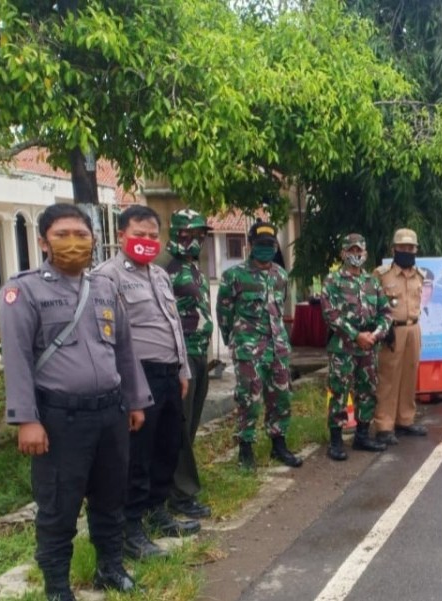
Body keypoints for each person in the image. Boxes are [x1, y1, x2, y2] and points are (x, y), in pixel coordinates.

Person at [0, 204, 152, 601]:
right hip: (58, 419)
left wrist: (135, 401)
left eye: (81, 235)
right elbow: (16, 357)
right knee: (58, 508)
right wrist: (25, 420)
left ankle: (110, 568)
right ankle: (57, 587)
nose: (73, 243)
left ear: (93, 240)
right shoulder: (25, 290)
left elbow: (124, 349)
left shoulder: (103, 287)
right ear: (43, 241)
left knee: (110, 497)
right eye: (62, 234)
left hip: (110, 413)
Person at [95, 205, 200, 561]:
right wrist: (124, 387)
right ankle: (131, 529)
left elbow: (173, 325)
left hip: (169, 374)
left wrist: (183, 369)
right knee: (137, 455)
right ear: (122, 235)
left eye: (153, 236)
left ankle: (157, 511)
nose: (147, 241)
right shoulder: (106, 277)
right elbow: (105, 338)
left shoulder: (159, 275)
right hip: (137, 376)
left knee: (167, 447)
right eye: (139, 234)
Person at [217, 221, 303, 469]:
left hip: (278, 347)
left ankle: (279, 443)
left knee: (281, 397)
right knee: (249, 399)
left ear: (275, 246)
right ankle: (245, 448)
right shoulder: (233, 276)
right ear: (250, 245)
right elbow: (224, 313)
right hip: (248, 348)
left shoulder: (280, 275)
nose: (266, 248)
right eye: (260, 244)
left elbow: (279, 307)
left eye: (270, 244)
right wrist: (234, 342)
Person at [320, 233, 392, 460]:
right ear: (343, 253)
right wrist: (355, 335)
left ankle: (362, 436)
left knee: (368, 392)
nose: (356, 254)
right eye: (351, 250)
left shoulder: (372, 283)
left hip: (369, 348)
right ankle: (336, 441)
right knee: (340, 392)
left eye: (359, 250)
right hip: (343, 348)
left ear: (366, 253)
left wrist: (375, 335)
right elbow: (329, 314)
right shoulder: (332, 281)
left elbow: (386, 313)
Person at [165, 209, 213, 519]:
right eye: (187, 235)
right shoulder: (166, 272)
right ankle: (180, 496)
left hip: (199, 355)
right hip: (180, 358)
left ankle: (177, 487)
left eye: (198, 235)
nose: (193, 241)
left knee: (189, 426)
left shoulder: (194, 270)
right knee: (178, 429)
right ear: (175, 235)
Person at [373, 228, 428, 444]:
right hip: (392, 330)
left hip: (414, 328)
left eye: (410, 248)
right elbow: (373, 303)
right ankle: (384, 425)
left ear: (415, 250)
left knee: (409, 375)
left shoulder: (420, 275)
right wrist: (381, 329)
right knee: (388, 377)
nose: (407, 251)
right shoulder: (382, 275)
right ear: (394, 249)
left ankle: (405, 420)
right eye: (402, 247)